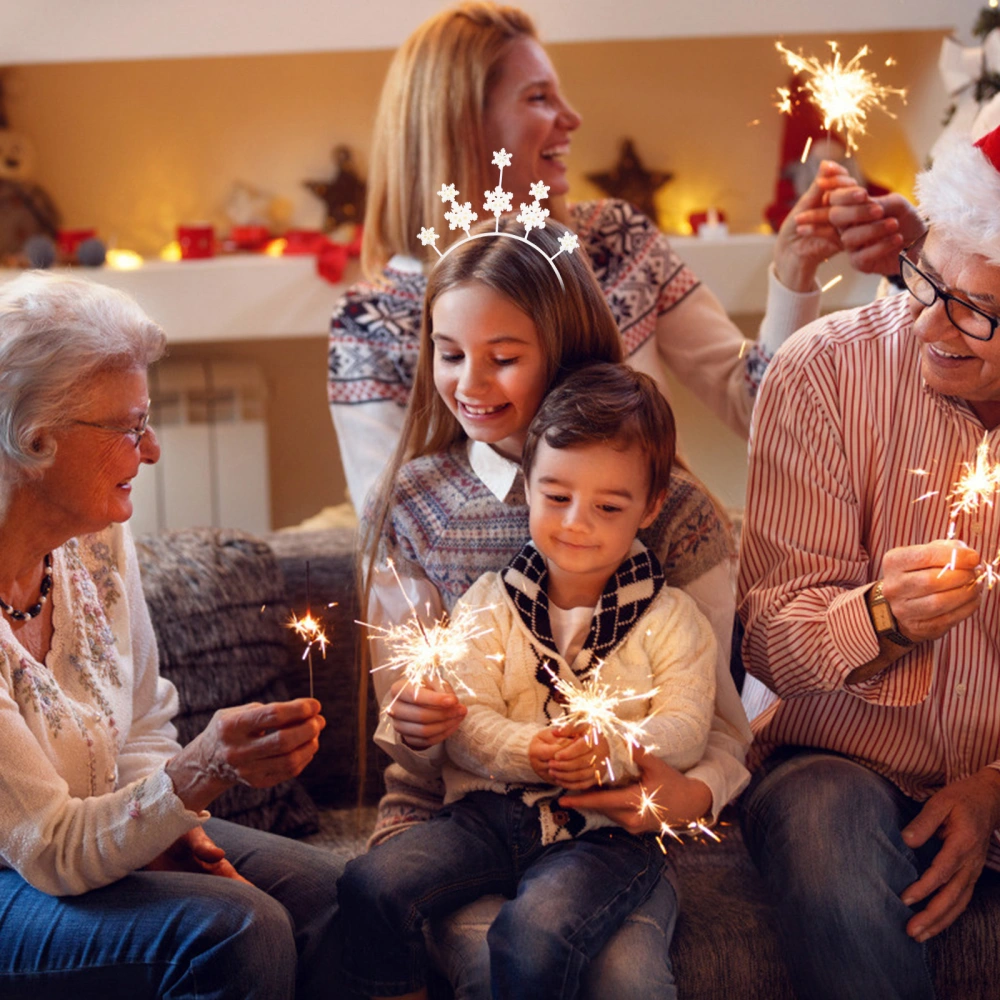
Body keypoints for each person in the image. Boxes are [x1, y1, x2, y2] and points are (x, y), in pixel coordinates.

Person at [359, 215, 751, 998]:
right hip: (459, 819)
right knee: (489, 957)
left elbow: (722, 731)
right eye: (448, 354)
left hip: (620, 831)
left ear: (565, 352)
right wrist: (415, 726)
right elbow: (410, 741)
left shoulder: (674, 516)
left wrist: (690, 792)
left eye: (503, 359)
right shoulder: (412, 505)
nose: (470, 384)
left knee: (626, 979)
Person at [327, 1, 840, 515]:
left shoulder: (615, 241)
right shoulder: (371, 322)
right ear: (461, 124)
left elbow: (762, 410)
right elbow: (392, 528)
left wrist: (795, 270)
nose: (571, 118)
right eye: (539, 98)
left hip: (658, 577)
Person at [0, 271, 341, 999]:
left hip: (81, 838)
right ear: (35, 440)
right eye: (128, 427)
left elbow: (145, 721)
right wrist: (197, 775)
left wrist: (157, 827)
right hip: (15, 871)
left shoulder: (93, 540)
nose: (150, 449)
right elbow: (51, 849)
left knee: (338, 892)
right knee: (238, 928)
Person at [737, 121, 1000, 1000]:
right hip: (836, 764)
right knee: (825, 822)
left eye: (977, 310)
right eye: (930, 277)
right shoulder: (822, 373)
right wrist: (879, 617)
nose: (931, 321)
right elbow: (767, 639)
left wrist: (995, 790)